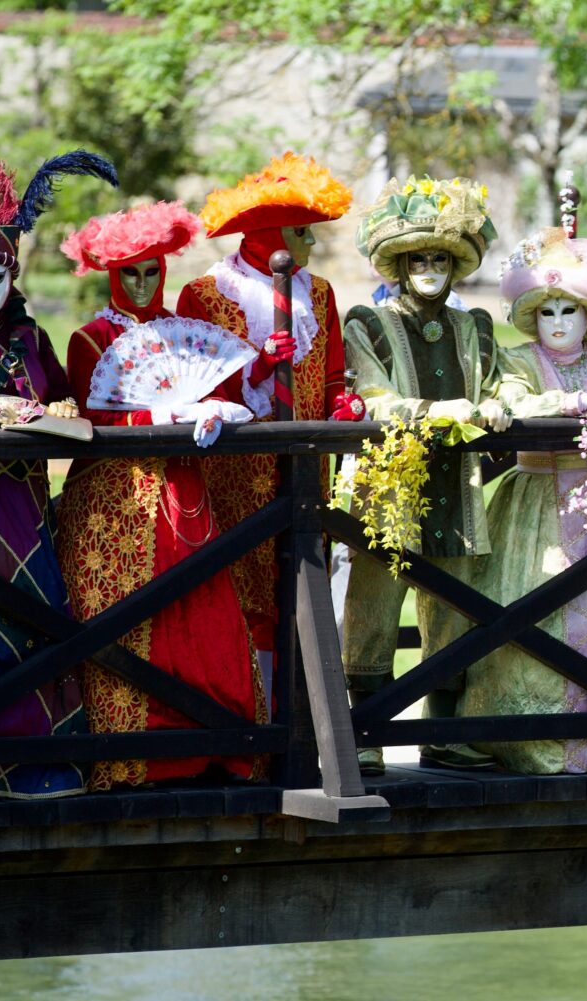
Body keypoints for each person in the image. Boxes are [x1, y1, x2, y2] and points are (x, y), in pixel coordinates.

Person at [54, 201, 266, 789]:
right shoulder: (90, 338)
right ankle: (138, 750)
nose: (143, 284)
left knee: (201, 607)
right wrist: (162, 410)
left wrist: (218, 405)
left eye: (152, 272)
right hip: (116, 498)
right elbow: (97, 413)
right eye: (131, 273)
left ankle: (213, 742)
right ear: (111, 275)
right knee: (124, 618)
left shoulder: (184, 334)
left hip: (184, 492)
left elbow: (221, 390)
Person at [0, 139, 118, 798]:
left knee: (34, 629)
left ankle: (38, 767)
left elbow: (65, 395)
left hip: (26, 516)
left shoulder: (30, 337)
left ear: (14, 281)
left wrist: (56, 407)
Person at [456, 223, 587, 774]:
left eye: (569, 312)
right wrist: (580, 405)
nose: (558, 323)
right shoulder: (518, 361)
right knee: (535, 610)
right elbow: (517, 403)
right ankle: (534, 738)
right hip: (537, 504)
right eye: (547, 312)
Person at [342, 174, 512, 774]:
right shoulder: (367, 322)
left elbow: (504, 379)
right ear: (400, 263)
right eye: (420, 258)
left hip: (458, 489)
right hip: (391, 486)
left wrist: (503, 400)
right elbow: (371, 396)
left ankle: (445, 734)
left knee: (453, 606)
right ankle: (364, 735)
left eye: (441, 258)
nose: (431, 268)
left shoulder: (476, 327)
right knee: (374, 605)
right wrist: (431, 413)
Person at [177, 151, 356, 701]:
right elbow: (196, 388)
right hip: (237, 471)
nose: (312, 244)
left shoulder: (320, 294)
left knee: (306, 578)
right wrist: (255, 365)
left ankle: (304, 716)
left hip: (307, 464)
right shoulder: (205, 295)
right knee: (242, 582)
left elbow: (329, 376)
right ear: (270, 238)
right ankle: (246, 718)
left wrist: (343, 408)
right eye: (302, 233)